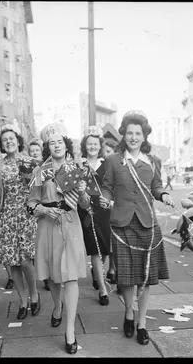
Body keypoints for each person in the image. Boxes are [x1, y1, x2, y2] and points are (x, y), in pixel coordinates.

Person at [99, 110, 174, 346]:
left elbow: (157, 187)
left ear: (144, 136)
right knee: (128, 279)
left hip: (147, 225)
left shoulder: (153, 162)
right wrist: (105, 198)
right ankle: (129, 312)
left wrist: (164, 195)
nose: (133, 137)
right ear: (124, 134)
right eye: (129, 133)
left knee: (146, 278)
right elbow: (107, 187)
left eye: (137, 133)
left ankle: (142, 323)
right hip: (122, 224)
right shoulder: (113, 161)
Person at [27, 122, 89, 355]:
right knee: (54, 278)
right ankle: (57, 305)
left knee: (71, 278)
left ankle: (70, 331)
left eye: (60, 141)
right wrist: (44, 210)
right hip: (47, 227)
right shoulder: (39, 172)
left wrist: (82, 191)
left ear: (66, 145)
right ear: (47, 147)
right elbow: (31, 203)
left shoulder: (76, 169)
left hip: (71, 225)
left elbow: (84, 205)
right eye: (51, 142)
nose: (56, 145)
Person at [0, 124, 40, 320]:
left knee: (26, 260)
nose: (9, 141)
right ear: (1, 145)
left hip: (27, 216)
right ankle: (23, 300)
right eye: (5, 140)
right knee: (13, 262)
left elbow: (40, 190)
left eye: (12, 138)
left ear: (18, 141)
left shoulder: (32, 162)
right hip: (8, 217)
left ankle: (34, 294)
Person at [77, 126, 110, 306]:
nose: (92, 147)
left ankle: (97, 273)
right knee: (95, 249)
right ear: (85, 146)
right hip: (86, 207)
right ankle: (103, 290)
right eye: (89, 144)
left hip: (105, 207)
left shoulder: (107, 163)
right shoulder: (79, 165)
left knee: (105, 248)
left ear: (100, 146)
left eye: (95, 144)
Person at [27, 138, 50, 292]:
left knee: (44, 244)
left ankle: (48, 277)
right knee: (34, 245)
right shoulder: (26, 166)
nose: (34, 152)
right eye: (32, 150)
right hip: (30, 207)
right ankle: (42, 273)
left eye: (37, 149)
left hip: (44, 208)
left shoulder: (45, 166)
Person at [0, 150, 14, 290]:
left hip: (23, 214)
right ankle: (11, 277)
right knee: (5, 249)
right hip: (4, 212)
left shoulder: (26, 163)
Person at [103, 139, 118, 285]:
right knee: (106, 240)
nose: (106, 154)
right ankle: (104, 269)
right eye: (105, 151)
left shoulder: (118, 164)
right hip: (103, 206)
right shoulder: (102, 165)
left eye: (109, 152)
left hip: (117, 206)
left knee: (115, 239)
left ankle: (113, 269)